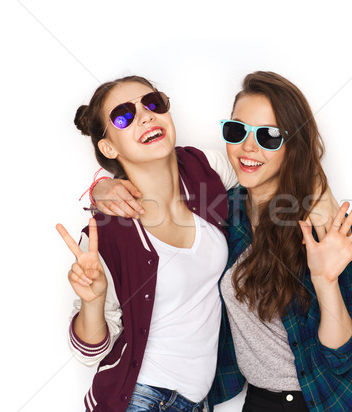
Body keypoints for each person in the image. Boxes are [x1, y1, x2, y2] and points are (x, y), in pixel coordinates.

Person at [207, 71, 352, 412]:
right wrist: (105, 184)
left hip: (329, 397)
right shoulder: (224, 209)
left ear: (293, 145)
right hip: (262, 397)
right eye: (237, 130)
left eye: (269, 136)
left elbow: (341, 352)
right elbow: (164, 172)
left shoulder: (322, 226)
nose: (248, 147)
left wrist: (325, 282)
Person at [56, 75, 235, 412]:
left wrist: (98, 187)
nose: (145, 116)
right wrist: (93, 301)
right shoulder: (105, 233)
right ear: (109, 148)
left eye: (152, 103)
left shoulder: (202, 168)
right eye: (123, 116)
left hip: (198, 402)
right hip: (139, 399)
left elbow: (260, 168)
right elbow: (88, 351)